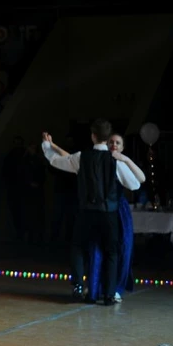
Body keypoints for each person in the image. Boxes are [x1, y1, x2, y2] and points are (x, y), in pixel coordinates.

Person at [42, 119, 141, 305]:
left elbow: (55, 161)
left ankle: (79, 285)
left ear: (93, 136)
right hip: (109, 213)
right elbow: (134, 184)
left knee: (78, 247)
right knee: (111, 252)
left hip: (86, 212)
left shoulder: (82, 157)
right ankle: (109, 295)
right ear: (107, 137)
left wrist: (47, 146)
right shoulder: (115, 160)